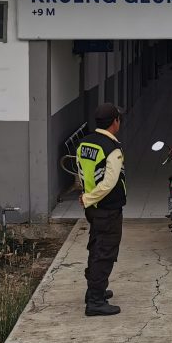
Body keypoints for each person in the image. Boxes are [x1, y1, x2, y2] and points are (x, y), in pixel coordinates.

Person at [76, 103, 127, 317]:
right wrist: (89, 197)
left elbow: (80, 173)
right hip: (107, 208)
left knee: (96, 247)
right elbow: (108, 183)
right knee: (105, 253)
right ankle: (95, 301)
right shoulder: (112, 149)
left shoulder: (83, 144)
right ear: (115, 121)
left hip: (93, 209)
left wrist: (87, 198)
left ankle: (94, 292)